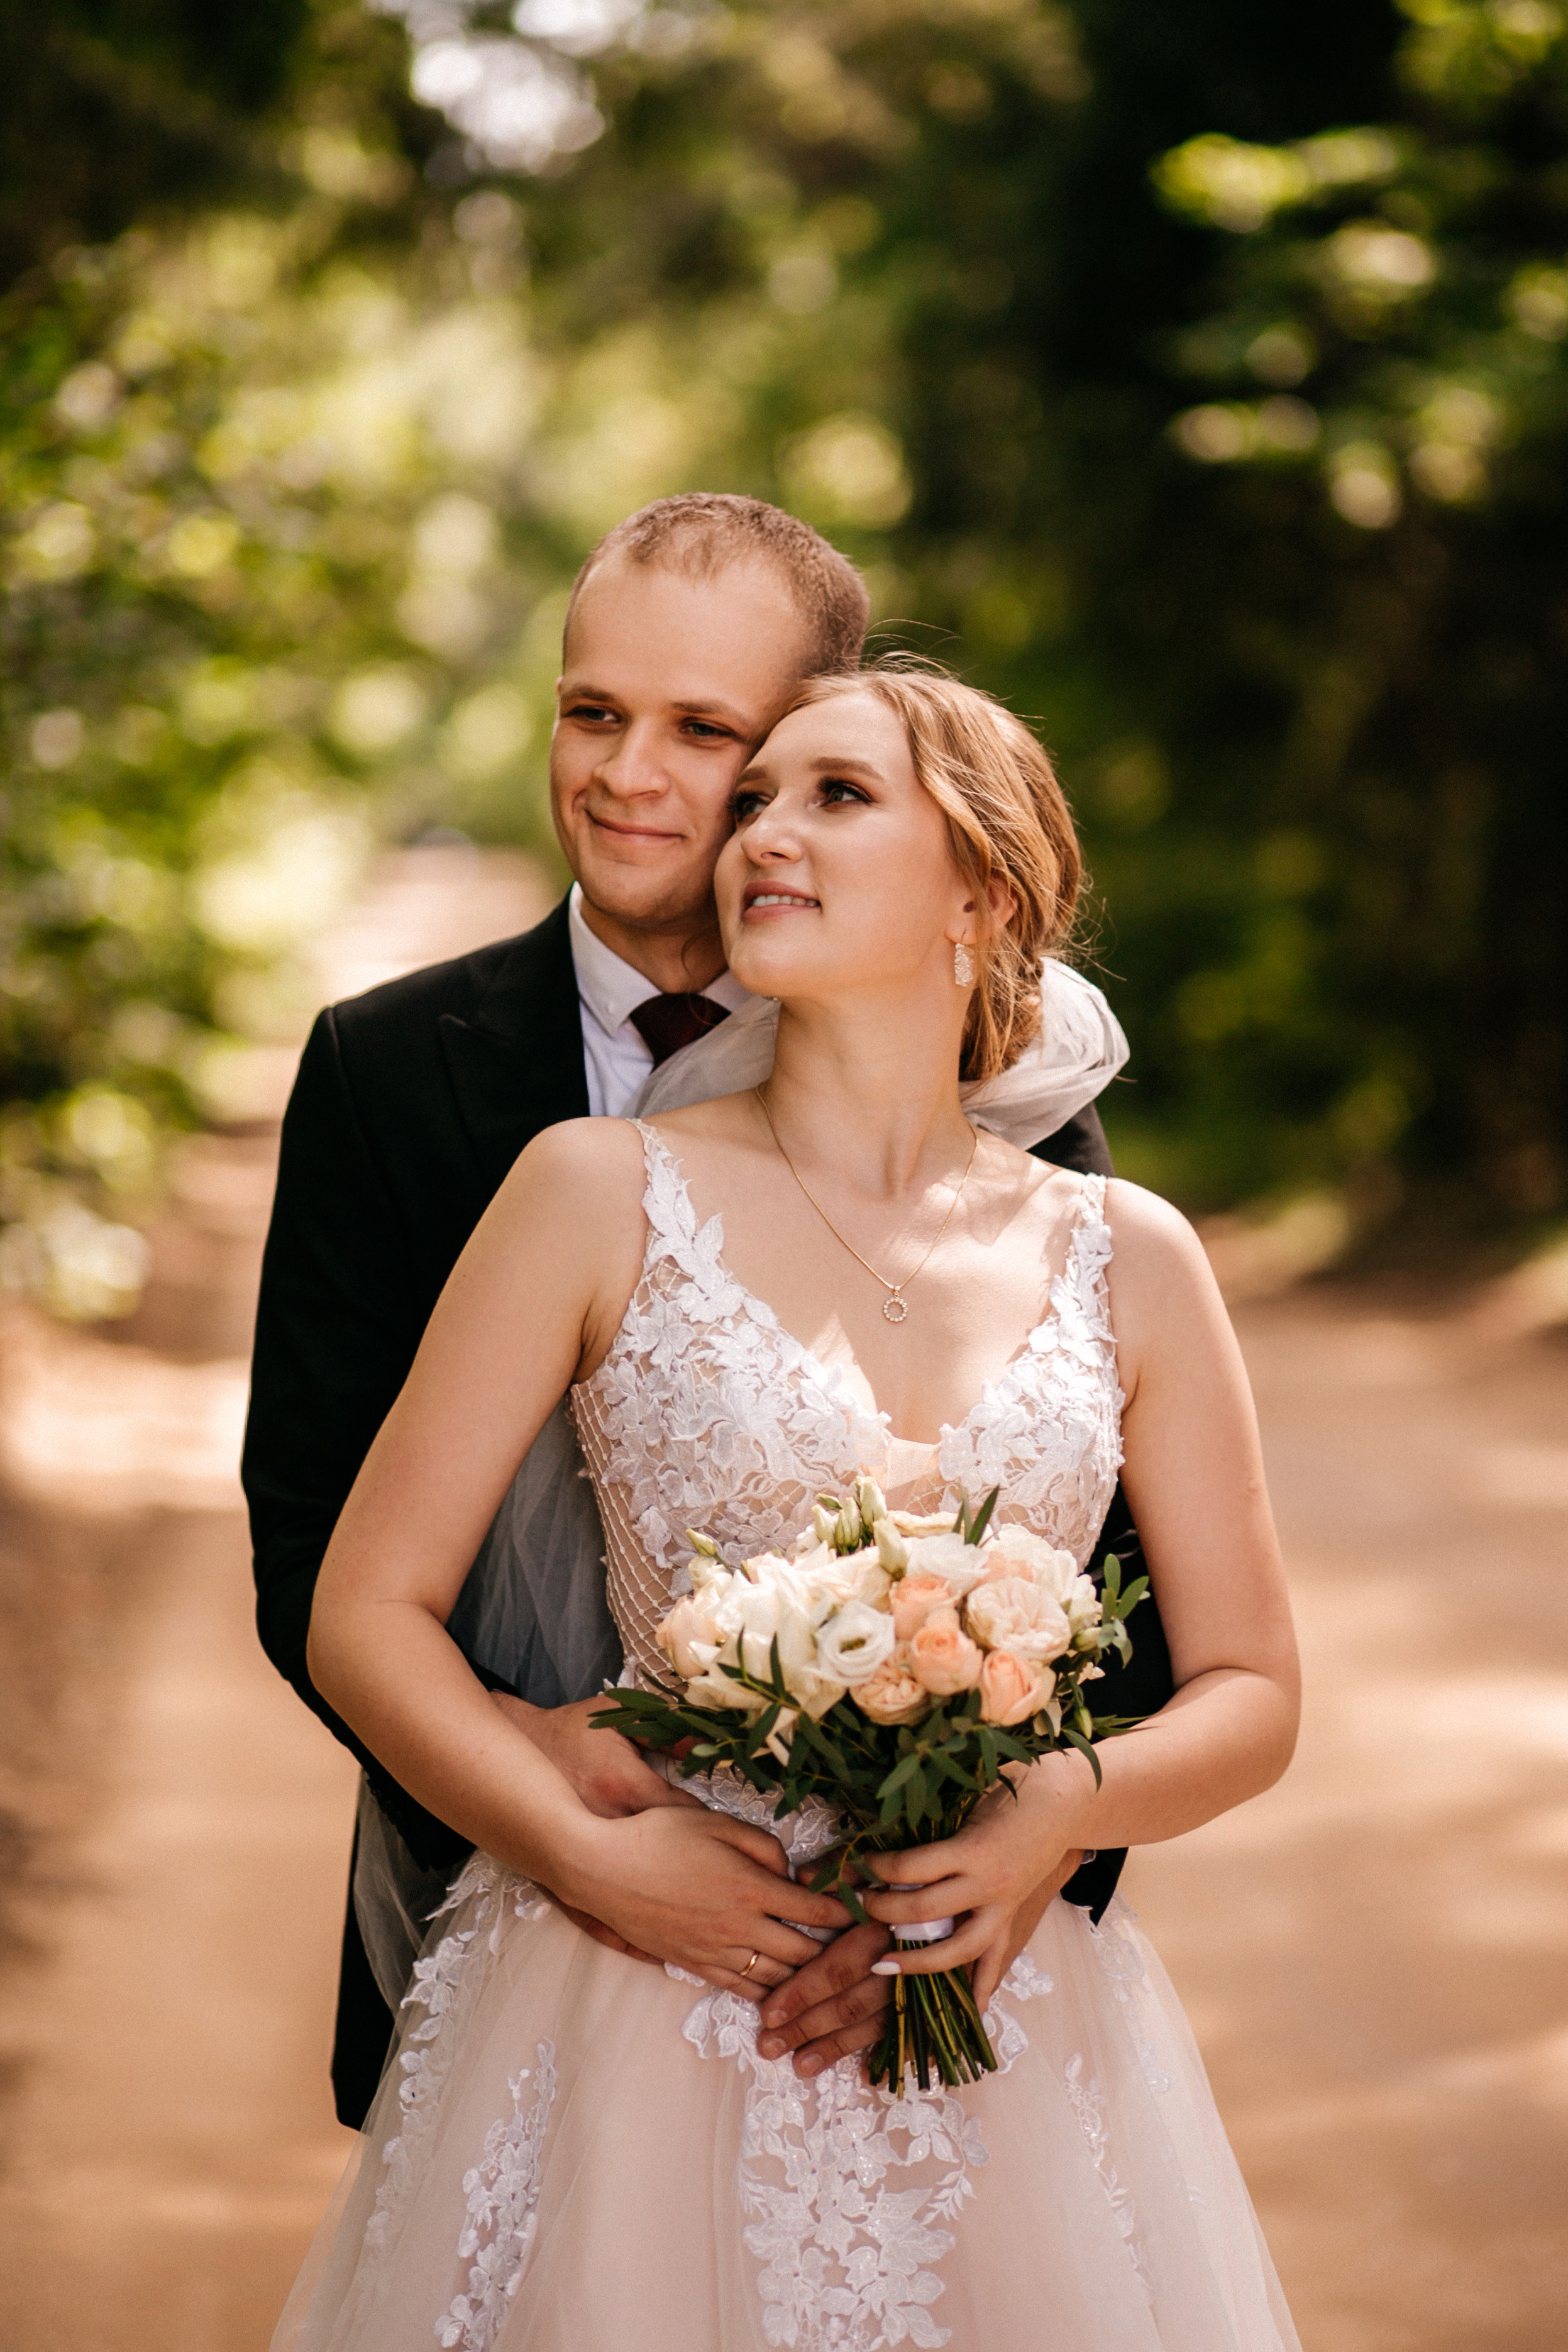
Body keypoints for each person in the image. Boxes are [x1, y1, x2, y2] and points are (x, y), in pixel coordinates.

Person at [271, 662, 1301, 2350]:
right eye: (758, 800)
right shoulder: (593, 1193)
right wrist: (595, 1860)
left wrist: (1049, 1812)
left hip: (998, 2016)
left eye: (837, 796)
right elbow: (362, 1613)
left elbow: (1256, 1691)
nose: (762, 831)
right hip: (634, 2001)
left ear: (981, 886)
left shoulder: (1133, 1260)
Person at [244, 495, 1154, 2131]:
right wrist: (552, 1801)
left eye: (703, 731)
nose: (626, 774)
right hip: (510, 1907)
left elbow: (1106, 1567)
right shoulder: (385, 1073)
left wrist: (1018, 1870)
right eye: (592, 711)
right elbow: (313, 1533)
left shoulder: (996, 1087)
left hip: (904, 1960)